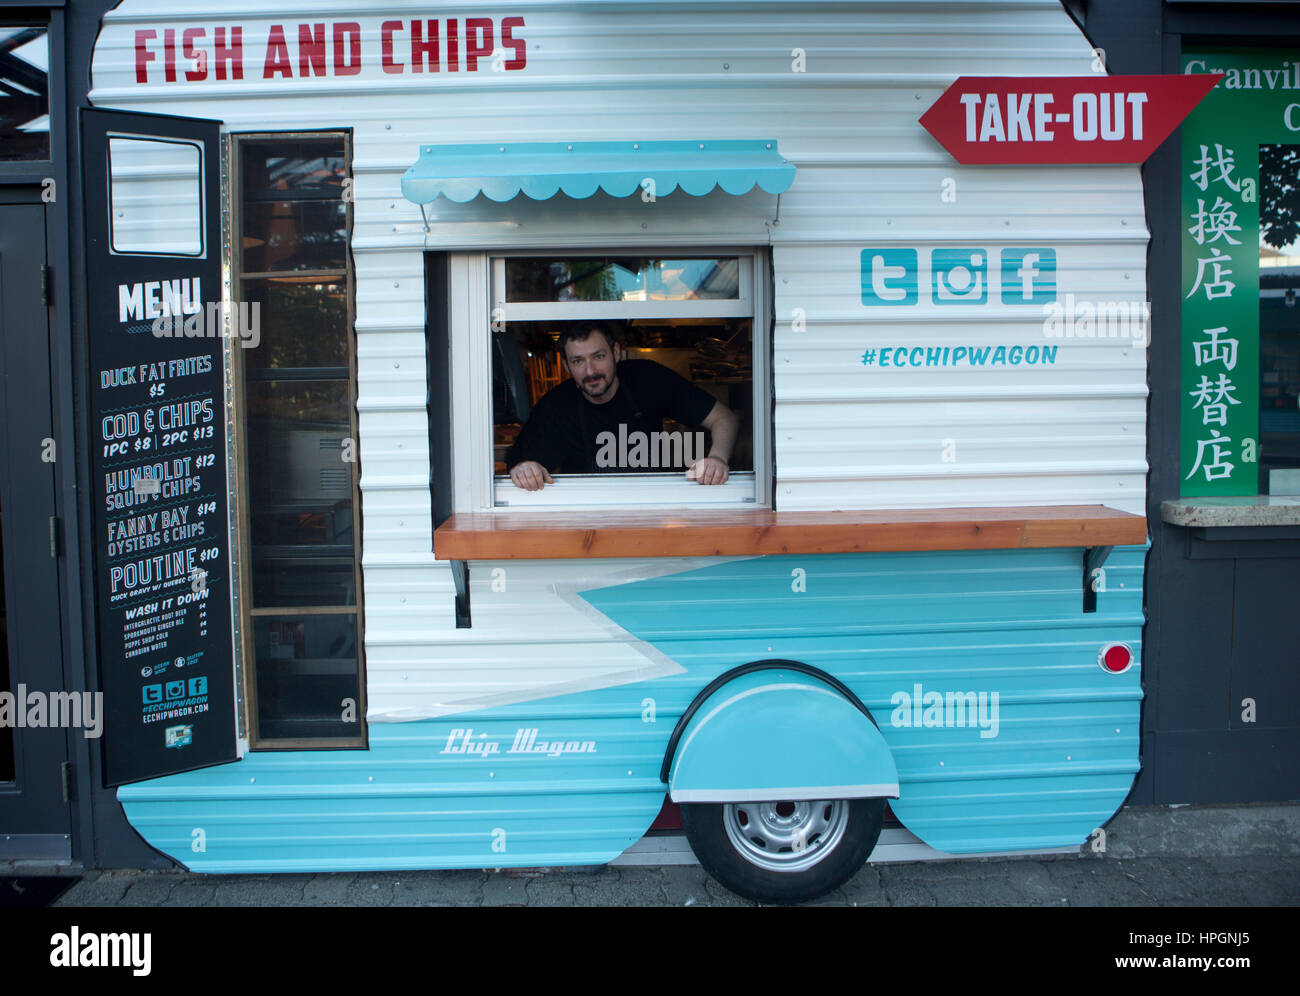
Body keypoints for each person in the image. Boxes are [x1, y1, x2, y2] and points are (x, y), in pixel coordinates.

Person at [507, 325, 739, 491]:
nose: (590, 372)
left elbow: (724, 418)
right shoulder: (555, 406)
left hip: (656, 506)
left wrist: (717, 458)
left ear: (616, 353)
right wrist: (525, 469)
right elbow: (518, 468)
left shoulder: (649, 378)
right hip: (587, 521)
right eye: (578, 361)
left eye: (598, 356)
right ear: (567, 366)